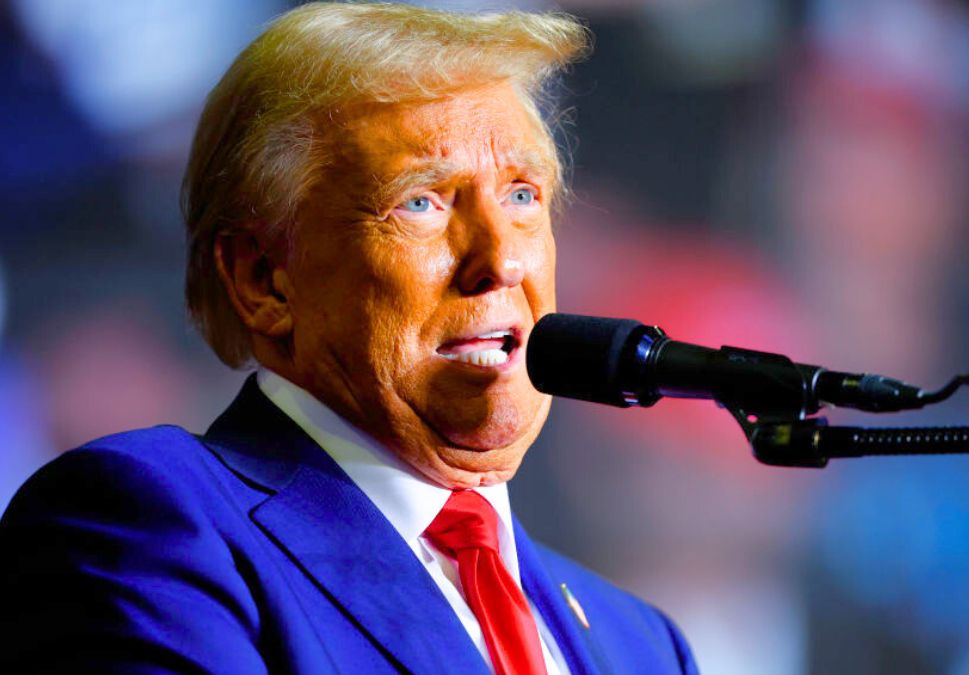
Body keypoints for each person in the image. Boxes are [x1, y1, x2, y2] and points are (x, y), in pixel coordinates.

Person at [0, 3, 698, 673]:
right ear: (264, 280)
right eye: (420, 202)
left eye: (522, 195)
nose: (502, 260)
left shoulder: (638, 640)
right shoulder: (160, 523)